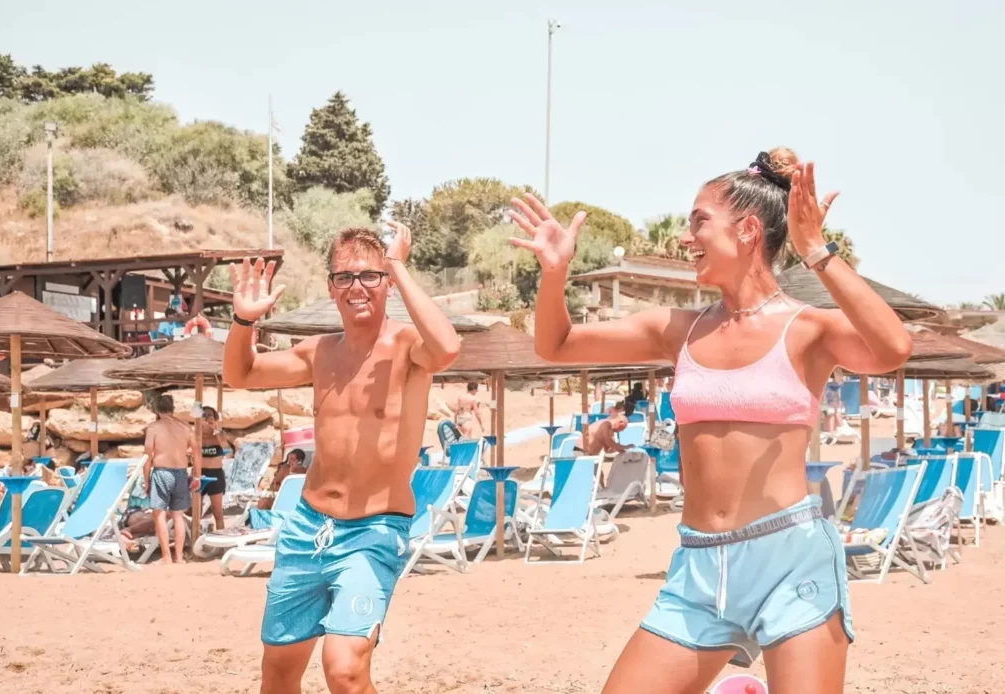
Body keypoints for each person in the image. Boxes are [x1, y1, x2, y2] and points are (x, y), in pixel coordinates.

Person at [509, 149, 912, 693]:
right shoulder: (678, 330)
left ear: (747, 231)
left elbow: (892, 347)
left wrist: (816, 250)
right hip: (698, 566)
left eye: (699, 221)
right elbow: (555, 344)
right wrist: (554, 274)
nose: (685, 237)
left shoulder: (808, 328)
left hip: (791, 559)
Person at [223, 221, 460, 694]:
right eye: (345, 277)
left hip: (375, 529)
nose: (357, 287)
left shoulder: (407, 347)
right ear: (331, 288)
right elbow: (241, 373)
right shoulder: (320, 352)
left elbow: (448, 347)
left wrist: (397, 263)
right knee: (278, 674)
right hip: (307, 527)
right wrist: (244, 321)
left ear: (387, 283)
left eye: (370, 275)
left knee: (345, 671)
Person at [143, 394, 200, 565]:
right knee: (178, 516)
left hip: (162, 472)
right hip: (181, 472)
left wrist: (146, 481)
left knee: (159, 514)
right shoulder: (185, 427)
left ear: (156, 410)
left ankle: (167, 557)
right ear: (172, 409)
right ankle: (179, 557)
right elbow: (197, 452)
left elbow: (147, 456)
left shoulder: (153, 427)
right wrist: (197, 475)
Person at [199, 406, 231, 530]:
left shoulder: (219, 435)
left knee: (217, 512)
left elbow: (228, 451)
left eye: (210, 415)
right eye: (204, 415)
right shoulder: (196, 436)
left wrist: (217, 430)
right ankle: (196, 535)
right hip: (200, 473)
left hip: (215, 473)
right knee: (196, 512)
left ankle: (221, 536)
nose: (207, 418)